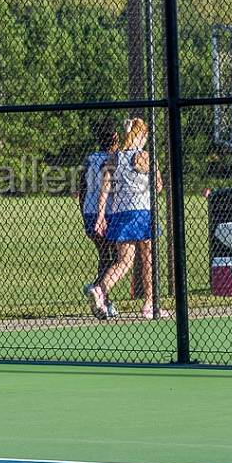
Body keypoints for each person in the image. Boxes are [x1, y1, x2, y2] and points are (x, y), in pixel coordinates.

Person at [87, 118, 165, 321]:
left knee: (123, 262)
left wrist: (101, 216)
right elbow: (158, 186)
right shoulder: (145, 156)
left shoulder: (115, 158)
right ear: (142, 135)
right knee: (147, 258)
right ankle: (150, 304)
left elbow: (105, 189)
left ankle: (99, 289)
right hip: (141, 212)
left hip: (121, 214)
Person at [78, 118, 118, 314]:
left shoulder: (89, 159)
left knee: (106, 256)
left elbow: (82, 187)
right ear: (115, 138)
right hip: (106, 212)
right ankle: (97, 289)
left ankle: (104, 300)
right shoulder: (114, 159)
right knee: (116, 258)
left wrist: (83, 211)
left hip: (89, 211)